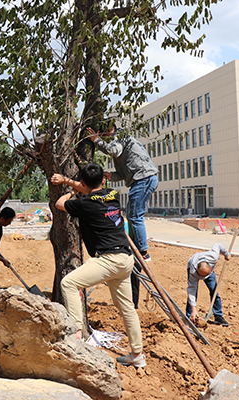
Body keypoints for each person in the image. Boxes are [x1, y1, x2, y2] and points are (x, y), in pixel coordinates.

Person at [51, 163, 145, 368]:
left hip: (108, 260)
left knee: (68, 283)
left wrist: (70, 191)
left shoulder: (83, 204)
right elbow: (91, 189)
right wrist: (70, 182)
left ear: (83, 183)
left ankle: (76, 334)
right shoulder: (113, 195)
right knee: (127, 308)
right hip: (126, 260)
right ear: (103, 181)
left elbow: (59, 203)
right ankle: (137, 354)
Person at [87, 125, 159, 309]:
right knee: (132, 215)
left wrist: (96, 140)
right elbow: (124, 173)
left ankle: (142, 251)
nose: (102, 135)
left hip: (143, 179)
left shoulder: (120, 138)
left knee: (135, 216)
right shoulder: (121, 146)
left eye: (103, 132)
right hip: (140, 178)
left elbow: (113, 149)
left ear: (110, 130)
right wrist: (110, 175)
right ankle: (138, 247)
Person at [186, 243, 230, 327]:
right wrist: (194, 309)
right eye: (202, 276)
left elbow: (218, 245)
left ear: (210, 267)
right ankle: (190, 316)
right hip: (193, 266)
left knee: (214, 291)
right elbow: (191, 290)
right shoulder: (193, 272)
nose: (203, 278)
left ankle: (218, 316)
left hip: (209, 272)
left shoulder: (213, 257)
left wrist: (227, 254)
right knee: (193, 294)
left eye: (205, 276)